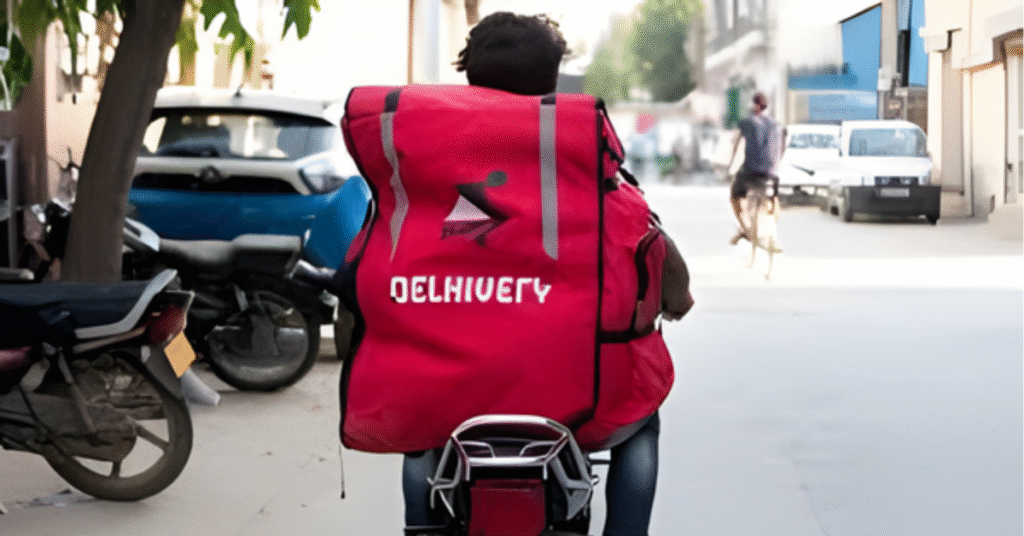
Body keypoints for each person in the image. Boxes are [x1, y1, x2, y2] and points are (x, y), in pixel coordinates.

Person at [401, 12, 663, 536]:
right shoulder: (592, 169)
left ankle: (421, 525)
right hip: (576, 393)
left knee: (423, 435)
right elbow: (648, 252)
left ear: (469, 74)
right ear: (552, 78)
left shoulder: (427, 169)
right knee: (639, 425)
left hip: (460, 384)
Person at [727, 92, 783, 248]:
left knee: (734, 197)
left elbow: (735, 144)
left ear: (754, 105)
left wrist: (730, 164)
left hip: (750, 172)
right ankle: (773, 224)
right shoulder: (777, 125)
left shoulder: (746, 122)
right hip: (771, 173)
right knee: (774, 198)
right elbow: (781, 149)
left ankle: (745, 230)